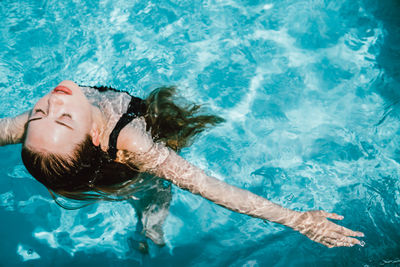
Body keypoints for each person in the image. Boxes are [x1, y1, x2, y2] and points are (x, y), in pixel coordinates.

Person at [0, 80, 364, 249]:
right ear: (94, 136)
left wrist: (43, 119)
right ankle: (149, 232)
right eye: (63, 120)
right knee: (154, 190)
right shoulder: (131, 143)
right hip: (127, 168)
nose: (53, 103)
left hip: (88, 165)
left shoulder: (36, 123)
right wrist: (298, 220)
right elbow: (207, 186)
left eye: (39, 113)